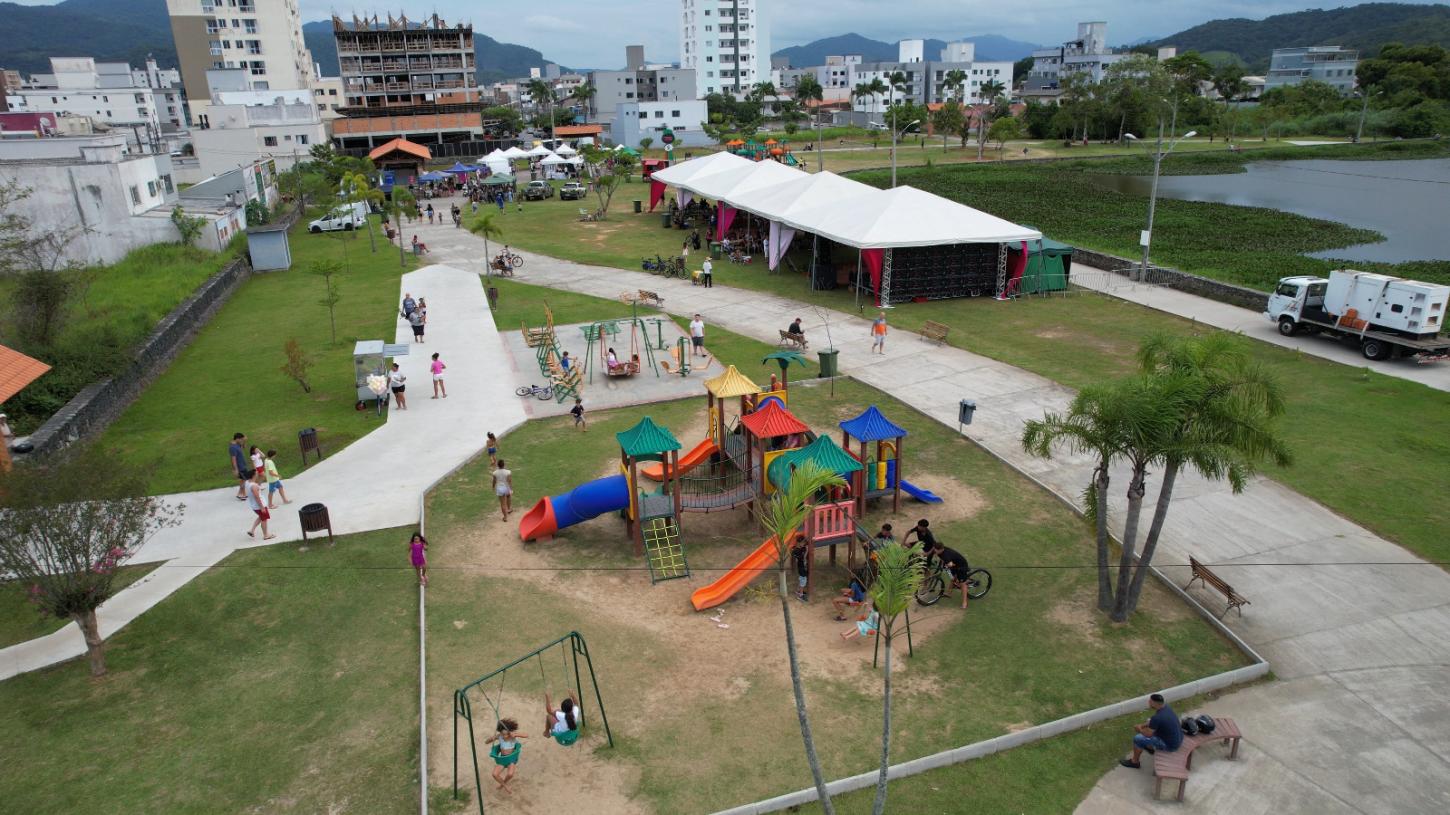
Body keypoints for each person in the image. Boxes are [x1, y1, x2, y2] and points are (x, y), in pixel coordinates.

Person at [1120, 693, 1184, 769]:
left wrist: (1139, 729)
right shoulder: (1166, 708)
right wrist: (1142, 725)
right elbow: (1153, 722)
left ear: (1154, 703)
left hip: (1170, 746)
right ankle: (1150, 748)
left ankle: (1135, 762)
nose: (1149, 703)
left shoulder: (1157, 717)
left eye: (1150, 701)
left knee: (1138, 739)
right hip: (1178, 739)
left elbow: (1148, 734)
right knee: (1149, 723)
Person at [927, 540, 973, 609]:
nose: (935, 551)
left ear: (941, 549)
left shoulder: (946, 555)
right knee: (952, 577)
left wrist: (946, 565)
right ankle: (949, 593)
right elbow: (942, 559)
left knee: (963, 584)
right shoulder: (940, 551)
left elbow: (950, 564)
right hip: (953, 564)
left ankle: (964, 603)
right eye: (935, 549)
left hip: (961, 566)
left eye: (937, 550)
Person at [484, 718, 526, 794]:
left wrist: (516, 734)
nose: (504, 736)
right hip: (502, 759)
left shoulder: (512, 737)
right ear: (500, 732)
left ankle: (503, 783)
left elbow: (526, 735)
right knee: (494, 774)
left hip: (511, 759)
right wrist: (491, 738)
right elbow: (486, 742)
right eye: (502, 734)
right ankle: (504, 785)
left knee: (510, 774)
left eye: (506, 734)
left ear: (510, 733)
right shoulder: (499, 736)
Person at [245, 470, 275, 540]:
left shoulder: (247, 482)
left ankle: (251, 530)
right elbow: (257, 497)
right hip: (259, 506)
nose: (257, 475)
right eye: (256, 474)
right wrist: (262, 507)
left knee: (261, 517)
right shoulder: (254, 486)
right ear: (253, 475)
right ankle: (266, 535)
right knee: (264, 519)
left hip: (254, 506)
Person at [229, 432, 251, 500]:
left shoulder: (237, 445)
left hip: (243, 465)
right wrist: (236, 469)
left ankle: (242, 494)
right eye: (241, 439)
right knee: (243, 479)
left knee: (243, 480)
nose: (242, 440)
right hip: (240, 467)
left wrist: (244, 440)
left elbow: (244, 447)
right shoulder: (233, 447)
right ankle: (240, 494)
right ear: (237, 439)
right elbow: (233, 459)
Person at [791, 534, 809, 601]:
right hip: (801, 567)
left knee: (801, 579)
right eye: (803, 543)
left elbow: (803, 548)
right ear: (799, 543)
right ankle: (800, 595)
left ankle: (798, 591)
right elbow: (803, 558)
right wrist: (806, 551)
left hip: (801, 567)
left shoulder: (800, 548)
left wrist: (805, 548)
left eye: (804, 543)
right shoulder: (796, 551)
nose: (804, 544)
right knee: (803, 581)